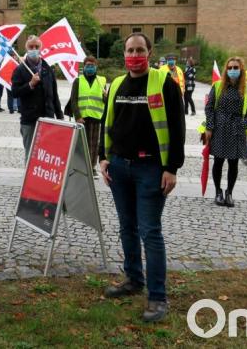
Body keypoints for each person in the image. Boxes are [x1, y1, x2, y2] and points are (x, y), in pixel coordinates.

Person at [98, 33, 185, 323]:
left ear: (149, 52)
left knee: (150, 231)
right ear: (124, 54)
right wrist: (103, 156)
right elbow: (107, 122)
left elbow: (177, 127)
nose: (134, 55)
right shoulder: (116, 85)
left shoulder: (164, 83)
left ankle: (157, 297)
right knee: (127, 227)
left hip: (151, 168)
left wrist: (171, 168)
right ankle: (134, 279)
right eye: (130, 50)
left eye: (139, 50)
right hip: (119, 167)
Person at [203, 57, 247, 207]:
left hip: (237, 129)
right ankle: (218, 192)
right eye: (230, 67)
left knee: (233, 163)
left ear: (241, 69)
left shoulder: (246, 88)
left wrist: (243, 125)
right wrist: (209, 127)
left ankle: (229, 193)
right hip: (220, 128)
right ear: (226, 69)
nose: (232, 70)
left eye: (235, 67)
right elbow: (209, 107)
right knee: (218, 161)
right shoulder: (218, 86)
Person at [10, 35, 63, 158]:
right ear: (26, 48)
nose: (34, 49)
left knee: (46, 154)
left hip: (48, 118)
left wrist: (59, 116)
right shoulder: (20, 70)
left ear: (41, 48)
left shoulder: (47, 69)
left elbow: (54, 94)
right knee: (31, 154)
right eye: (31, 47)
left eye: (36, 46)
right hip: (30, 120)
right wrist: (30, 84)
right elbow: (15, 92)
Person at [69, 56, 106, 176]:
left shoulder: (101, 81)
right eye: (88, 65)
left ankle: (92, 167)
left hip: (96, 117)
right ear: (84, 67)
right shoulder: (78, 81)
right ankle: (80, 166)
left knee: (94, 144)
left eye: (92, 65)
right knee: (82, 144)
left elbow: (105, 101)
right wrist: (77, 116)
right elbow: (73, 100)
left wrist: (106, 96)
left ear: (96, 67)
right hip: (82, 118)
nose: (90, 67)